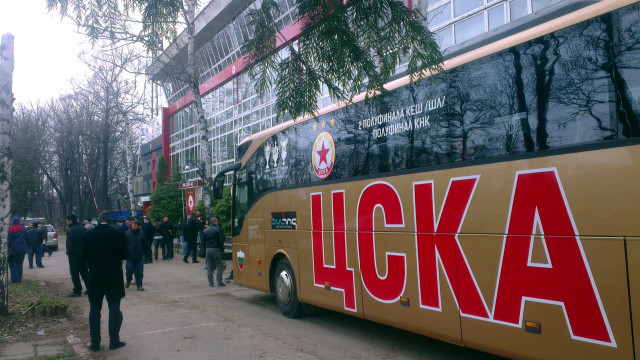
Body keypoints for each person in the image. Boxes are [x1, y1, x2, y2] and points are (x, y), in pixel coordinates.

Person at [82, 211, 128, 352]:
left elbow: (83, 256)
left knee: (94, 309)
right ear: (110, 221)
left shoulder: (87, 235)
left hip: (94, 275)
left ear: (98, 221)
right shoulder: (118, 234)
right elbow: (125, 254)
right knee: (114, 308)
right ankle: (114, 340)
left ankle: (95, 343)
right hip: (113, 275)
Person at [66, 214, 88, 297]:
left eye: (67, 220)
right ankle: (89, 288)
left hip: (74, 255)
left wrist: (69, 252)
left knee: (74, 273)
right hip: (83, 254)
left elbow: (69, 243)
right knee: (85, 272)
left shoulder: (70, 230)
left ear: (70, 220)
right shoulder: (83, 228)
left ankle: (77, 290)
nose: (67, 222)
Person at [202, 216, 226, 287]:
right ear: (214, 221)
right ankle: (219, 282)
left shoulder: (205, 230)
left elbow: (203, 242)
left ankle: (211, 283)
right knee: (219, 266)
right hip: (215, 249)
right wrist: (221, 248)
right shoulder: (217, 230)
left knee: (209, 266)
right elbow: (221, 240)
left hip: (208, 249)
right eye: (217, 221)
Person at [125, 219, 146, 291]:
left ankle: (139, 285)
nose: (134, 226)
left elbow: (145, 244)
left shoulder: (141, 234)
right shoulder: (126, 234)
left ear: (138, 226)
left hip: (139, 256)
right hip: (129, 256)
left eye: (135, 225)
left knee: (139, 271)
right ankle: (128, 280)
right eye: (133, 225)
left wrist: (145, 253)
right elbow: (123, 245)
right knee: (129, 270)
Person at [8, 217, 30, 283]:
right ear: (19, 221)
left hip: (12, 250)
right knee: (20, 264)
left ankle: (14, 279)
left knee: (12, 264)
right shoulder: (23, 228)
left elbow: (8, 240)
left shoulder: (9, 229)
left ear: (13, 222)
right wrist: (28, 246)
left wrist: (8, 247)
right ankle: (19, 278)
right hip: (22, 249)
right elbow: (28, 238)